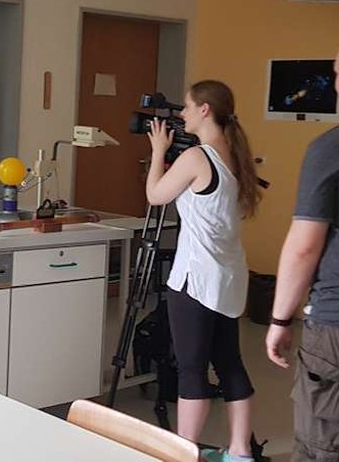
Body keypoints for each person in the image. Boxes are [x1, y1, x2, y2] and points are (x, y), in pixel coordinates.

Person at [145, 80, 262, 462]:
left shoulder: (196, 158)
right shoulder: (234, 155)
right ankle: (241, 451)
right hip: (228, 279)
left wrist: (159, 152)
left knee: (191, 369)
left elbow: (156, 195)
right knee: (230, 363)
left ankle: (185, 452)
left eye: (188, 107)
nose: (182, 113)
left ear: (205, 111)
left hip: (195, 281)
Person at [265, 54, 339, 461]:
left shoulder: (329, 150)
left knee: (321, 445)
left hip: (335, 325)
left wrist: (279, 319)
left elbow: (304, 246)